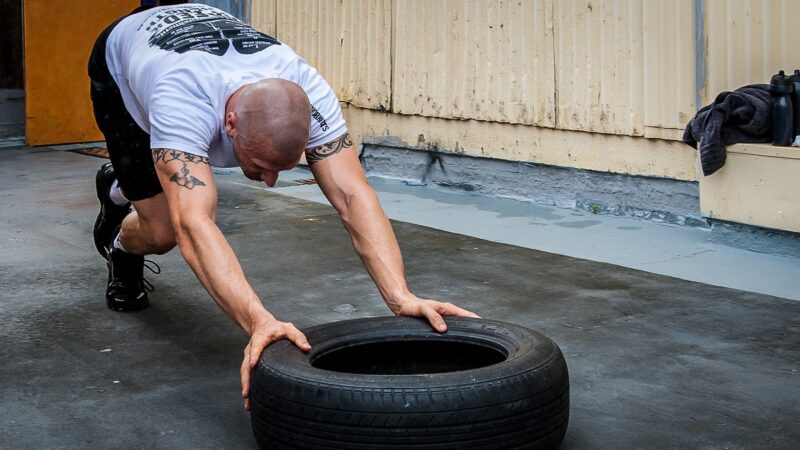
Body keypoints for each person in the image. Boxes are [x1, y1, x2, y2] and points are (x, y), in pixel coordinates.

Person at [88, 2, 479, 410]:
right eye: (260, 166)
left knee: (170, 212)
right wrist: (258, 320)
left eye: (283, 170)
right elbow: (194, 224)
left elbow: (352, 195)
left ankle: (125, 189)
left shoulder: (310, 91)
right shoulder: (180, 100)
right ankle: (120, 230)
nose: (271, 182)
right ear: (231, 124)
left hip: (196, 42)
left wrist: (401, 296)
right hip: (122, 66)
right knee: (163, 231)